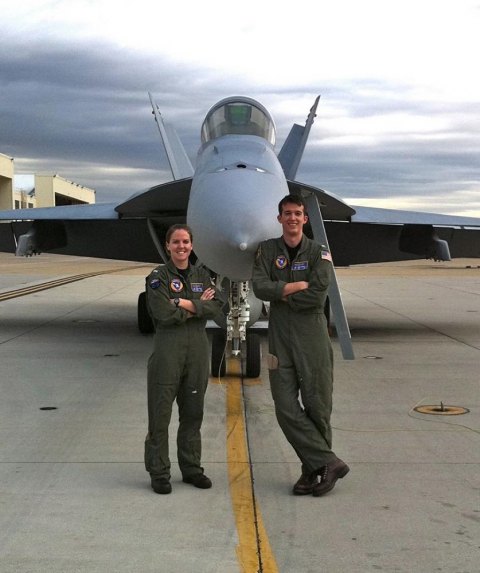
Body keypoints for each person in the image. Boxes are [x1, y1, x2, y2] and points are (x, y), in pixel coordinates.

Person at [252, 194, 349, 497]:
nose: (292, 218)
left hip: (312, 338)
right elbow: (259, 287)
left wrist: (280, 292)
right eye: (287, 214)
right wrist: (295, 286)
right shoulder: (268, 250)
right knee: (284, 407)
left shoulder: (319, 252)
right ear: (279, 218)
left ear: (305, 219)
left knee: (318, 407)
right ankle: (328, 461)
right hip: (280, 338)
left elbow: (318, 296)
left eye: (297, 214)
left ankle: (313, 472)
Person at [144, 224, 224, 495]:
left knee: (193, 414)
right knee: (160, 416)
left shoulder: (203, 275)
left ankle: (191, 468)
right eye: (176, 242)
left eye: (186, 241)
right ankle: (159, 472)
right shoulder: (158, 277)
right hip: (168, 352)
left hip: (197, 354)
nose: (181, 246)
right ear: (168, 246)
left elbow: (216, 307)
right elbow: (161, 312)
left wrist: (180, 302)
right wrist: (195, 306)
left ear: (192, 245)